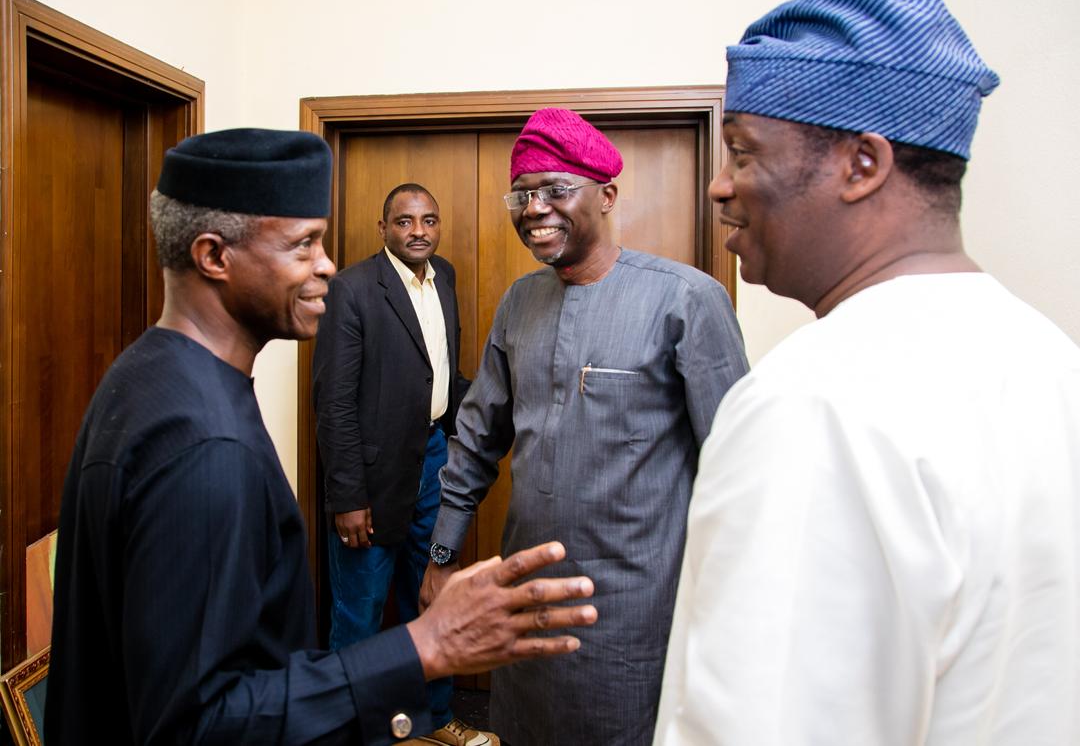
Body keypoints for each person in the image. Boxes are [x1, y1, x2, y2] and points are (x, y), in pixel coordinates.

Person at [45, 128, 597, 746]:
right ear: (214, 256)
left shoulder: (148, 373)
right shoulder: (202, 450)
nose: (327, 265)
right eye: (303, 245)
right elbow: (196, 726)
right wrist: (424, 645)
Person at [653, 0, 1080, 744]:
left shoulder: (810, 407)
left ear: (862, 164)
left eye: (744, 152)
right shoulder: (1052, 361)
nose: (720, 185)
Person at [420, 108, 749, 744]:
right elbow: (477, 438)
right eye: (523, 194)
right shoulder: (520, 301)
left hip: (635, 608)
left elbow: (739, 471)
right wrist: (441, 553)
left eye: (556, 189)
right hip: (529, 597)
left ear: (606, 195)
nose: (535, 208)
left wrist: (730, 607)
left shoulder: (686, 300)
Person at [312, 183, 489, 746]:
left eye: (429, 220)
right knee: (360, 612)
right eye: (406, 221)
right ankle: (351, 733)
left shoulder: (447, 278)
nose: (419, 231)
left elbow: (440, 374)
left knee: (431, 599)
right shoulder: (354, 289)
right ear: (383, 228)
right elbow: (334, 401)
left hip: (435, 458)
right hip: (371, 477)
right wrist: (347, 497)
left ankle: (436, 721)